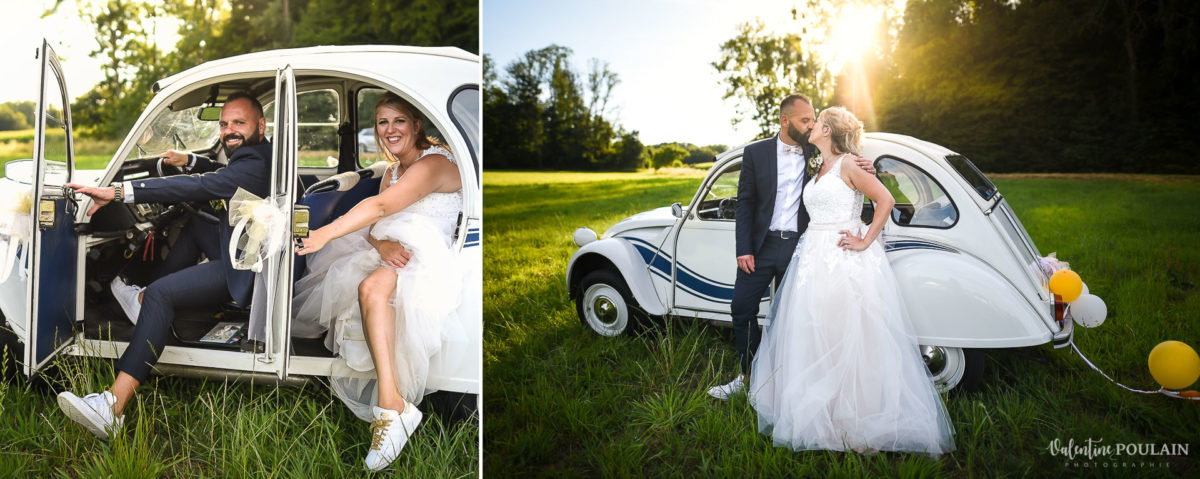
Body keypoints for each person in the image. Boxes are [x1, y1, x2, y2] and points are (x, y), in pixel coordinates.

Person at [57, 92, 272, 441]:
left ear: (260, 125)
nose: (229, 130)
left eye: (239, 123)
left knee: (161, 294)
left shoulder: (255, 162)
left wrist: (119, 192)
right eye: (224, 124)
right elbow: (225, 175)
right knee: (196, 225)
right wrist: (190, 159)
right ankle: (146, 304)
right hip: (247, 246)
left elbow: (202, 185)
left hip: (246, 266)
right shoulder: (260, 153)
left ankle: (112, 408)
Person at [748, 107, 955, 454]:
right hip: (813, 256)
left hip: (843, 256)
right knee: (816, 329)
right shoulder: (819, 164)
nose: (811, 126)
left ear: (827, 130)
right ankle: (822, 406)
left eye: (817, 122)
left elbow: (885, 199)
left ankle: (855, 414)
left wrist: (865, 240)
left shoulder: (849, 165)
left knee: (846, 331)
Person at [291, 92, 464, 471]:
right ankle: (394, 406)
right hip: (395, 249)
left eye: (399, 121)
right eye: (383, 122)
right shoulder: (392, 171)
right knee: (360, 284)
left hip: (428, 254)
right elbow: (377, 224)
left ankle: (392, 408)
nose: (390, 130)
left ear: (417, 125)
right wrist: (382, 243)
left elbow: (382, 206)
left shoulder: (434, 163)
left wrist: (325, 234)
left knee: (369, 288)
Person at [708, 94, 872, 400]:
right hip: (760, 247)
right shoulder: (755, 152)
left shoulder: (816, 149)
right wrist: (743, 248)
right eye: (804, 120)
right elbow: (745, 203)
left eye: (813, 120)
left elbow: (844, 160)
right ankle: (747, 376)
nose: (811, 125)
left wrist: (864, 163)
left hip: (801, 247)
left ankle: (786, 379)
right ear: (785, 121)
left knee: (794, 317)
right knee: (741, 309)